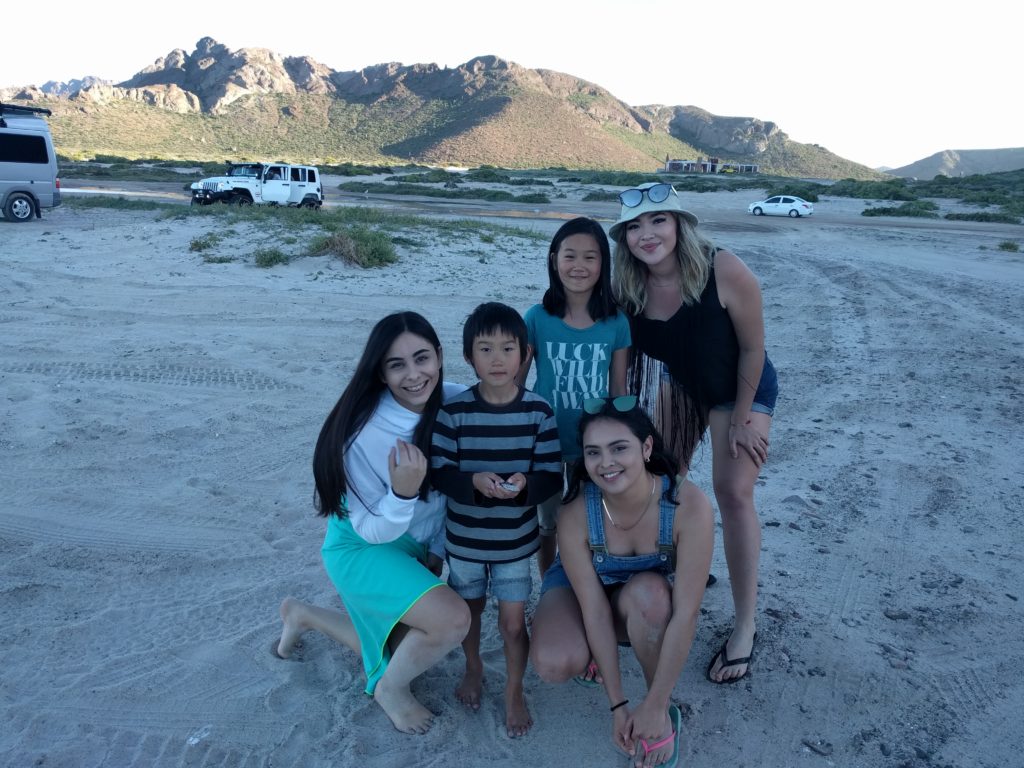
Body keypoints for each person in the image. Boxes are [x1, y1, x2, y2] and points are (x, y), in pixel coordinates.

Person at [609, 182, 779, 684]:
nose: (647, 234)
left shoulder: (722, 269)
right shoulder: (628, 286)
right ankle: (679, 566)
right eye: (634, 227)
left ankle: (745, 625)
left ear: (679, 224)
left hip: (739, 387)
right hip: (681, 386)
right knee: (663, 478)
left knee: (733, 490)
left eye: (658, 220)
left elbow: (753, 349)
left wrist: (744, 420)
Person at [275, 311, 471, 735]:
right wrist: (402, 492)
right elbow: (369, 529)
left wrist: (436, 548)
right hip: (361, 546)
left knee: (404, 642)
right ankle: (389, 692)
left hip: (412, 543)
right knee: (451, 621)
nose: (414, 375)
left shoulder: (453, 402)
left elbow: (441, 498)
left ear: (439, 357)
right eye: (397, 365)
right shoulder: (362, 435)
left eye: (422, 359)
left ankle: (303, 614)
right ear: (380, 373)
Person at [529, 396, 713, 768]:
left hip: (642, 597)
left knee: (652, 597)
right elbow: (594, 608)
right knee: (553, 662)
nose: (606, 463)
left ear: (646, 447)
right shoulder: (577, 511)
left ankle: (660, 710)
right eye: (593, 452)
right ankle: (593, 659)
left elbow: (687, 614)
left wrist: (653, 704)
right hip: (585, 594)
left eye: (619, 448)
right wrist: (618, 705)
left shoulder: (687, 506)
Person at [431, 302, 563, 737]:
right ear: (468, 356)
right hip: (465, 541)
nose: (497, 359)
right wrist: (473, 482)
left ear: (525, 353)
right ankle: (473, 667)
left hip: (514, 543)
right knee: (469, 611)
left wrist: (526, 484)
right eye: (485, 349)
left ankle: (513, 689)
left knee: (511, 622)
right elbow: (441, 472)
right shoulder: (455, 412)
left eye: (508, 348)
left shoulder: (539, 412)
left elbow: (550, 477)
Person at [520, 217, 631, 581]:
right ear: (554, 260)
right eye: (570, 256)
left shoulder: (616, 322)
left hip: (593, 446)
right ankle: (549, 585)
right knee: (547, 523)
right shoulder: (536, 318)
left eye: (590, 257)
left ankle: (588, 582)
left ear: (604, 264)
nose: (579, 266)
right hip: (546, 442)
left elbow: (618, 392)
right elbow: (517, 387)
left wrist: (622, 444)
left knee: (590, 519)